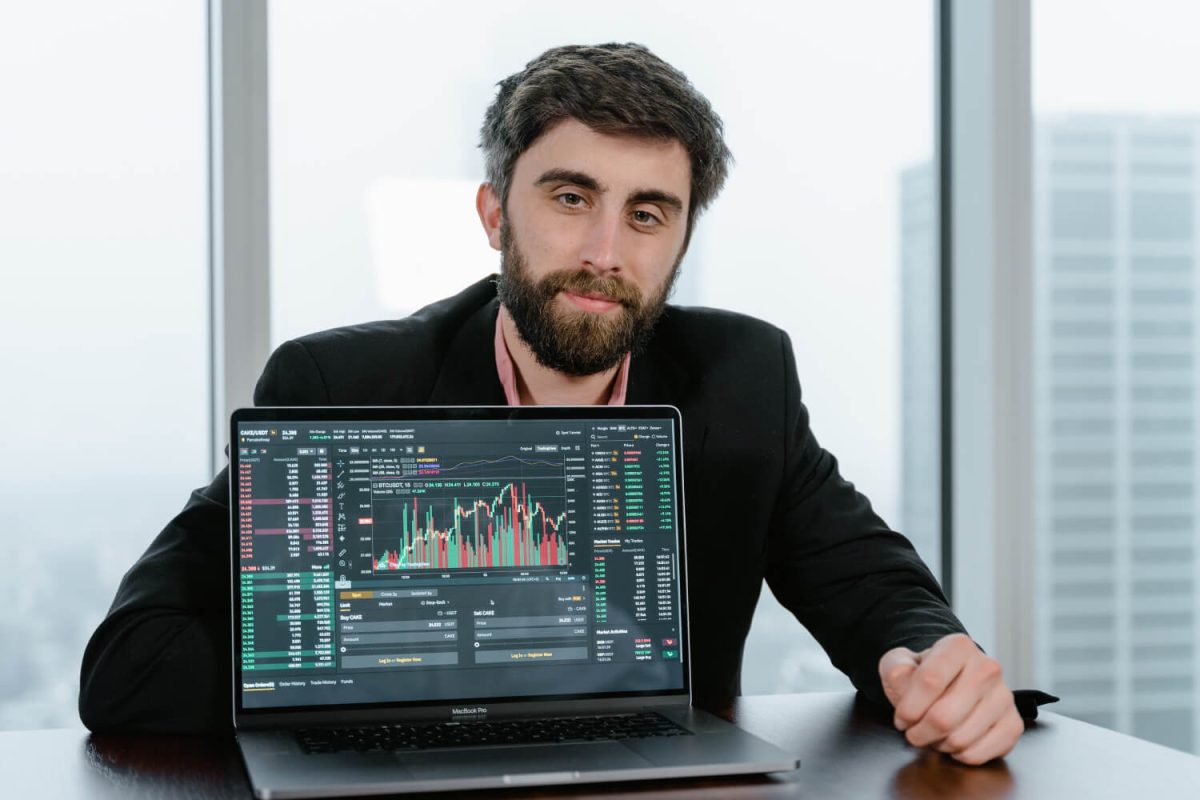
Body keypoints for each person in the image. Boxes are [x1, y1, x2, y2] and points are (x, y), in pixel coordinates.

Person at [80, 42, 1024, 765]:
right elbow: (132, 666)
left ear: (682, 238)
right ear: (496, 213)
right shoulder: (340, 388)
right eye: (572, 197)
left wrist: (934, 660)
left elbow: (876, 589)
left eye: (648, 213)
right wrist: (420, 668)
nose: (607, 251)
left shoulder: (744, 379)